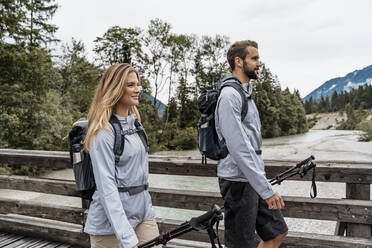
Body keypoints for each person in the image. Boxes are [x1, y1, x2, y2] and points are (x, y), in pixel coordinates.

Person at [215, 40, 288, 248]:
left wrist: (261, 183)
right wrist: (266, 190)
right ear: (239, 61)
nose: (259, 63)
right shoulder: (229, 96)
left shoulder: (246, 94)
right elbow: (239, 148)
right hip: (237, 181)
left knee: (277, 232)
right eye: (254, 58)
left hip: (252, 178)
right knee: (240, 245)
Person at [82, 63, 161, 248]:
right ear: (116, 89)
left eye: (137, 84)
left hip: (143, 214)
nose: (137, 90)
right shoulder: (103, 133)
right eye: (130, 85)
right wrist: (127, 238)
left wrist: (147, 208)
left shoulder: (136, 126)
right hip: (109, 223)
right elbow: (106, 188)